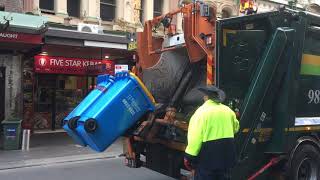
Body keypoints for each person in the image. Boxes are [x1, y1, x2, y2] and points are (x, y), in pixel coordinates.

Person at [184, 85, 239, 180]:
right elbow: (236, 128)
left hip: (208, 158)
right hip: (227, 156)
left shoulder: (201, 113)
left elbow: (195, 137)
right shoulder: (228, 111)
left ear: (206, 97)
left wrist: (189, 156)